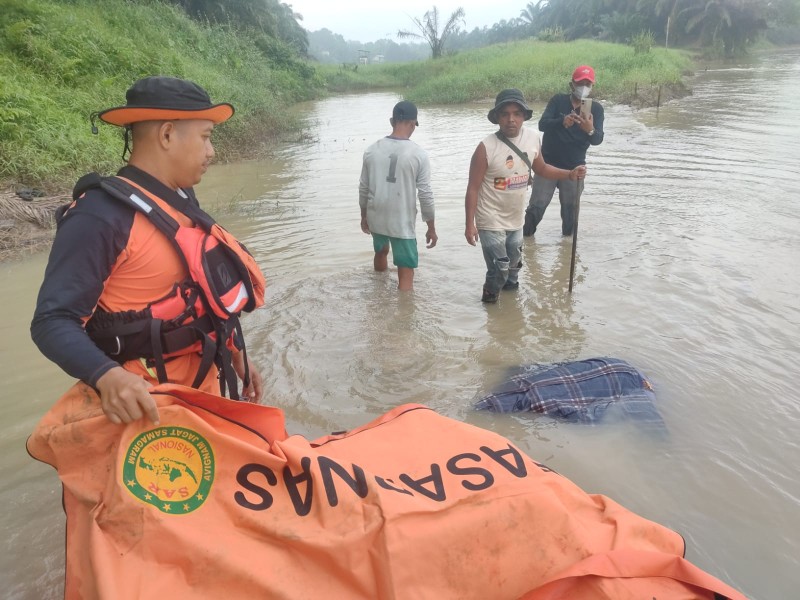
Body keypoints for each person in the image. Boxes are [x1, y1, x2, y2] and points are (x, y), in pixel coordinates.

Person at [30, 76, 266, 426]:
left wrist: (236, 353)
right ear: (167, 135)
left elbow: (201, 292)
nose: (211, 151)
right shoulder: (99, 217)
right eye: (205, 137)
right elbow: (52, 321)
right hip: (147, 413)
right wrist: (106, 376)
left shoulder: (182, 199)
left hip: (202, 394)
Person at [465, 89, 586, 303]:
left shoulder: (532, 139)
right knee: (500, 267)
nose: (511, 119)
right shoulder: (486, 148)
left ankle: (512, 314)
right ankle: (490, 303)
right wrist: (470, 225)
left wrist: (569, 174)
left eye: (516, 113)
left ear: (523, 116)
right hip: (490, 219)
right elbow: (473, 188)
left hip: (516, 219)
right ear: (497, 118)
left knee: (514, 267)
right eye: (505, 114)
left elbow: (542, 169)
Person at [359, 100, 437, 291]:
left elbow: (363, 187)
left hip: (376, 213)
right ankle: (404, 315)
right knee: (406, 267)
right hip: (401, 218)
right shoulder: (418, 154)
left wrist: (364, 216)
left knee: (381, 251)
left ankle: (379, 290)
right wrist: (431, 227)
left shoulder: (371, 150)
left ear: (392, 121)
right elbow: (425, 194)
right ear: (413, 124)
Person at [523, 65, 604, 237]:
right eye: (580, 83)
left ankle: (566, 248)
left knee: (570, 213)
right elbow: (542, 124)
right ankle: (525, 241)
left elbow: (597, 139)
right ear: (571, 84)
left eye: (588, 84)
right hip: (547, 165)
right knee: (536, 207)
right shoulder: (558, 100)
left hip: (575, 168)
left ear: (592, 87)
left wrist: (589, 129)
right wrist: (562, 121)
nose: (584, 87)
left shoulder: (596, 109)